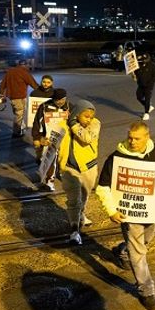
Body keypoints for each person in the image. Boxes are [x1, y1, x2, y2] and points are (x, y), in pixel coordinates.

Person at [94, 122, 155, 310]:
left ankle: (123, 251)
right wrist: (111, 211)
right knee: (139, 253)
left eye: (137, 138)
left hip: (152, 212)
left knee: (140, 245)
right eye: (130, 137)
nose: (132, 141)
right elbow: (102, 187)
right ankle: (146, 290)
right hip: (129, 215)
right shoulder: (116, 158)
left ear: (147, 136)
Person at [58, 99, 100, 245]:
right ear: (77, 114)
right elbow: (56, 144)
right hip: (69, 168)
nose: (89, 120)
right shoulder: (63, 125)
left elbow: (86, 139)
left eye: (91, 117)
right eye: (86, 116)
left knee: (85, 196)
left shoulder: (95, 124)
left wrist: (74, 124)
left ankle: (81, 214)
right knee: (73, 200)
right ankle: (74, 230)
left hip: (88, 167)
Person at [31, 88, 72, 189]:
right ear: (53, 99)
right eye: (57, 100)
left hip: (65, 138)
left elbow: (74, 122)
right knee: (50, 158)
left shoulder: (69, 106)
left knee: (65, 158)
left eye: (62, 99)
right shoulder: (44, 107)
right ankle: (49, 181)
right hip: (50, 138)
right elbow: (37, 123)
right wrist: (38, 137)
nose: (60, 102)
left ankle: (63, 173)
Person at [0, 59, 39, 137]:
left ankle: (21, 127)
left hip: (12, 98)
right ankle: (16, 132)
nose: (28, 67)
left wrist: (1, 94)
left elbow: (3, 84)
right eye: (28, 65)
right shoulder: (24, 72)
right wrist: (43, 92)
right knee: (19, 113)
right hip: (20, 97)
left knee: (18, 112)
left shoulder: (10, 72)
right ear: (25, 65)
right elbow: (33, 84)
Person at [132, 53, 155, 120]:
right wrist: (134, 76)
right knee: (139, 96)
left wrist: (150, 83)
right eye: (143, 59)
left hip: (149, 85)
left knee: (147, 98)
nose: (144, 61)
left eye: (145, 59)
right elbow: (136, 74)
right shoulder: (139, 65)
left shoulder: (153, 66)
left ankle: (146, 113)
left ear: (148, 59)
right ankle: (148, 106)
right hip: (141, 85)